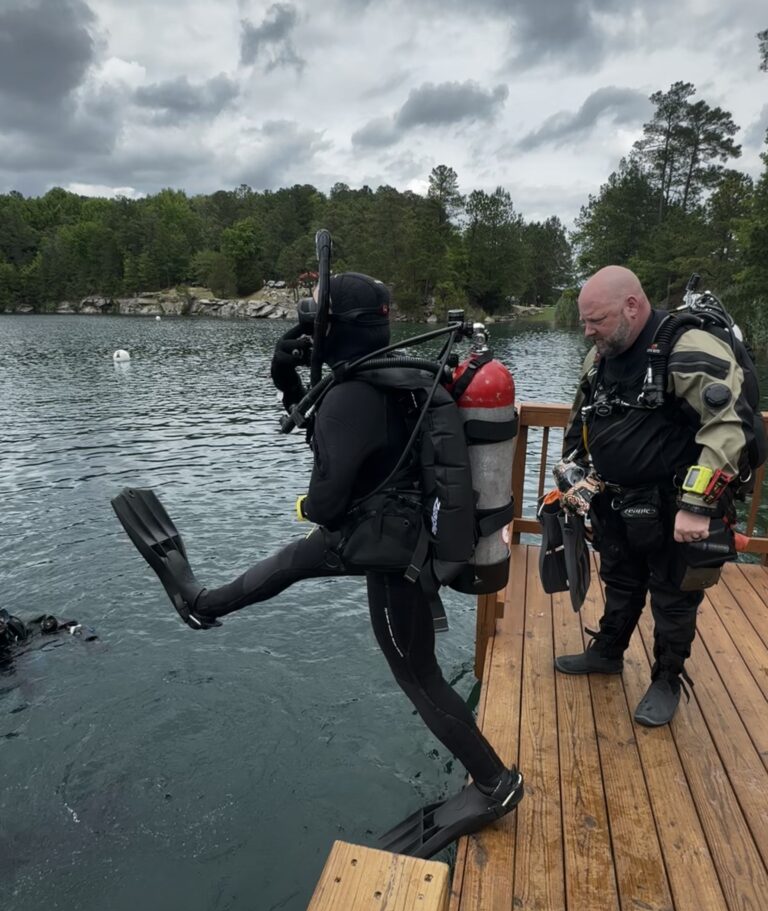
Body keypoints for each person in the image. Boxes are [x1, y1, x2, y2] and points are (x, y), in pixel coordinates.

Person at [112, 271, 523, 858]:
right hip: (414, 530)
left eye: (314, 321)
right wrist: (286, 372)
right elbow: (335, 431)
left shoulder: (350, 394)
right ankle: (202, 602)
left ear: (335, 328)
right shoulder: (400, 374)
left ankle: (494, 784)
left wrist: (314, 494)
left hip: (390, 546)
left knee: (416, 672)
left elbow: (328, 501)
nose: (307, 330)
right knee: (298, 568)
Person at [554, 265, 754, 726]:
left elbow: (730, 426)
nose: (587, 330)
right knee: (621, 581)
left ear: (632, 306)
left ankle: (667, 678)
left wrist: (697, 507)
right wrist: (571, 472)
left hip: (676, 509)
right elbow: (581, 415)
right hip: (616, 502)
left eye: (596, 320)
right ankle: (608, 652)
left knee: (673, 597)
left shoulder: (687, 349)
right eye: (584, 321)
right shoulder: (600, 354)